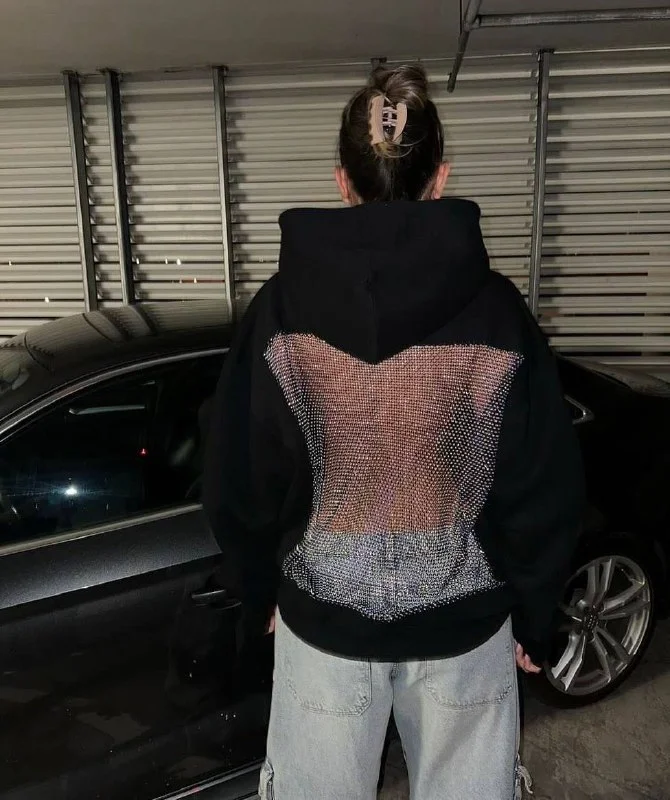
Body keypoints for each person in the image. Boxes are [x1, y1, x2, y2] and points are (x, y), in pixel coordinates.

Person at [203, 64, 584, 800]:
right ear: (440, 179)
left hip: (325, 625)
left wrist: (258, 590)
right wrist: (536, 618)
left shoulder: (280, 310)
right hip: (465, 627)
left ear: (343, 182)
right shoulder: (497, 311)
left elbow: (240, 471)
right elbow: (542, 481)